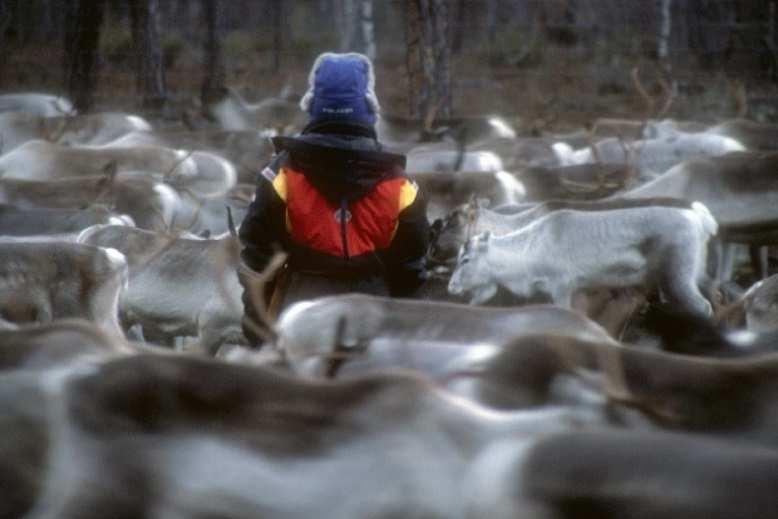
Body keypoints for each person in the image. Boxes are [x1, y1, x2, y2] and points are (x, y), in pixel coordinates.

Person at [238, 52, 430, 346]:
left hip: (301, 314)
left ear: (313, 104)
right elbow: (411, 267)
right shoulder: (401, 184)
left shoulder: (280, 175)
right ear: (369, 107)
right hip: (374, 318)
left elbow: (256, 258)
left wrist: (256, 326)